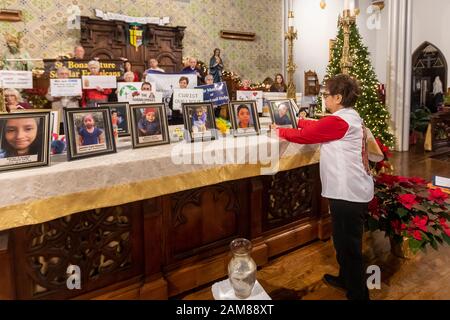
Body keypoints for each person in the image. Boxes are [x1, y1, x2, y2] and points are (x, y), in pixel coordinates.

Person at [272, 74, 373, 301]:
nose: (324, 98)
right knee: (340, 239)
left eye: (326, 95)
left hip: (349, 193)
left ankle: (359, 294)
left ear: (338, 97)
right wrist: (298, 120)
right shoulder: (348, 117)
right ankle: (345, 279)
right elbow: (318, 126)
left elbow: (306, 136)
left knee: (350, 246)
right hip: (348, 191)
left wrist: (279, 130)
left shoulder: (340, 121)